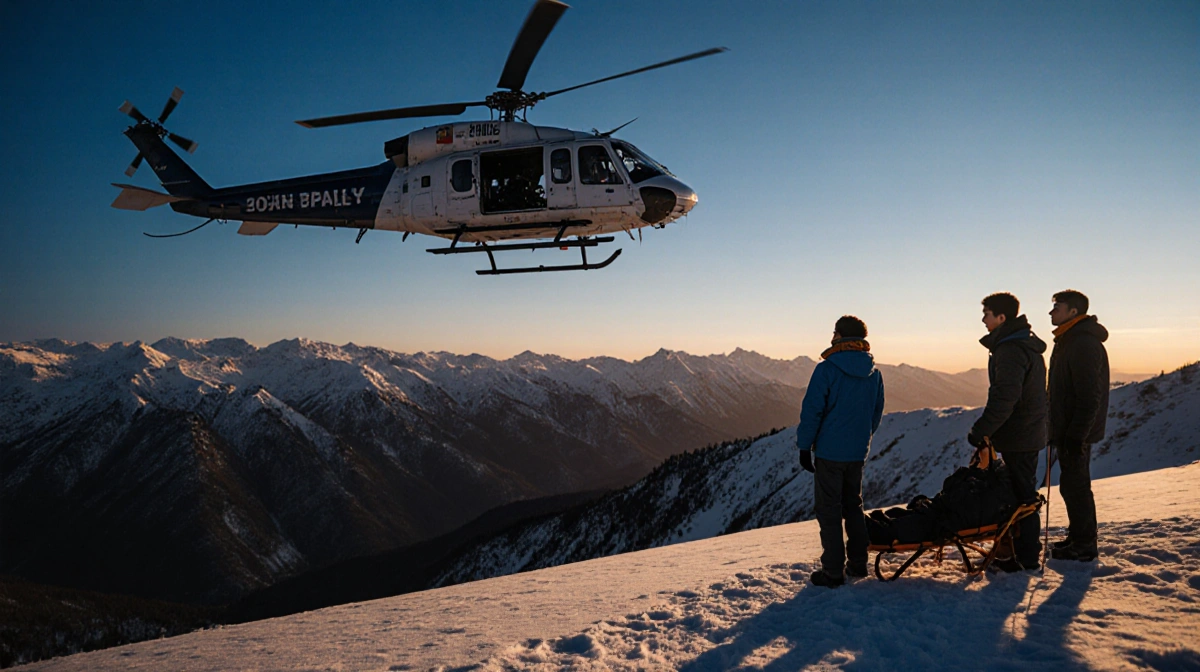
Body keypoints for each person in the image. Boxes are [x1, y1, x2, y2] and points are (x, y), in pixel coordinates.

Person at [795, 315, 885, 588]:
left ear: (839, 336)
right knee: (854, 506)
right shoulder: (874, 372)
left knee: (829, 510)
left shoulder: (827, 369)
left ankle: (833, 571)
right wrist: (861, 438)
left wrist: (804, 445)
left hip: (830, 453)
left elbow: (813, 411)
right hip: (856, 454)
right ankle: (858, 564)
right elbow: (876, 413)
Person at [966, 292, 1048, 572]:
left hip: (1019, 434)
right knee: (1017, 494)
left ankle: (1025, 558)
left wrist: (980, 431)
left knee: (1022, 497)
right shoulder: (1022, 345)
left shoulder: (1010, 350)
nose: (983, 319)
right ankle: (1013, 551)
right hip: (1026, 432)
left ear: (1002, 318)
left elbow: (1004, 398)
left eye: (987, 314)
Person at [1047, 289, 1110, 561]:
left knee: (1076, 485)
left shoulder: (1082, 343)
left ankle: (1084, 545)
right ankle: (1078, 538)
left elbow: (1089, 396)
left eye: (1057, 307)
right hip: (1069, 429)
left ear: (1073, 312)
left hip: (1075, 432)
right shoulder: (1068, 340)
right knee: (1071, 484)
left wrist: (1075, 435)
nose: (1051, 312)